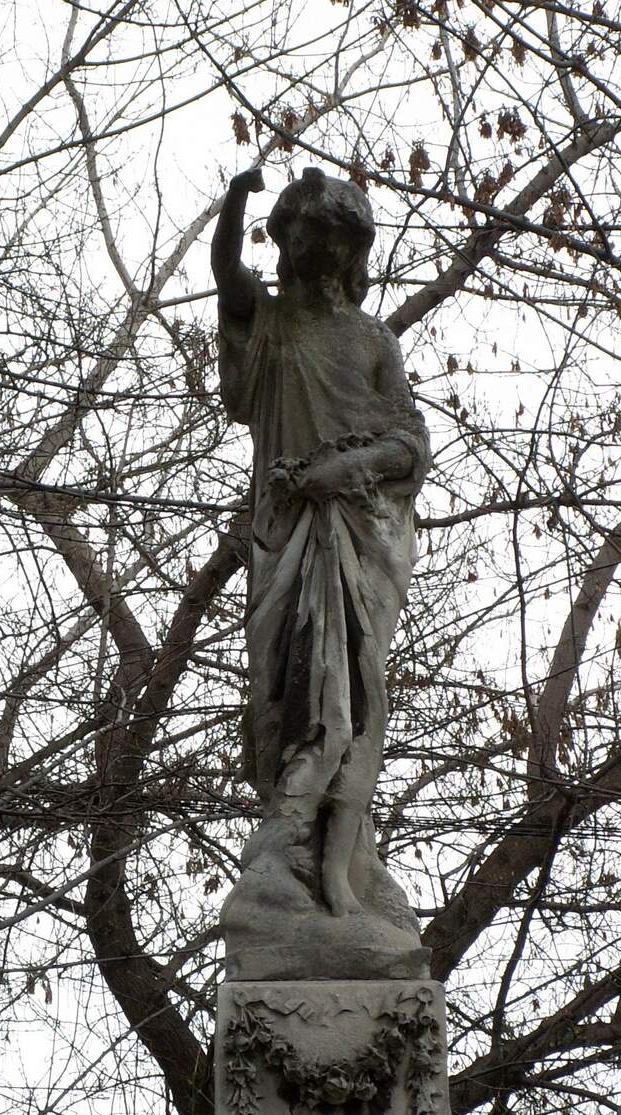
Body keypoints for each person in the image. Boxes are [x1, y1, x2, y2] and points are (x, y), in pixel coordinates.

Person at [213, 165, 430, 973]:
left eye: (330, 235)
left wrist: (350, 468)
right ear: (286, 239)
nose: (314, 247)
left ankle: (333, 863)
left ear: (349, 249)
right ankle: (292, 866)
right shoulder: (270, 324)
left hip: (361, 541)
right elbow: (226, 275)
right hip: (286, 540)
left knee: (348, 703)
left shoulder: (373, 343)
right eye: (300, 230)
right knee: (294, 692)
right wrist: (234, 205)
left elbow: (410, 444)